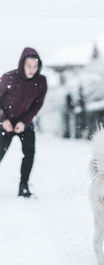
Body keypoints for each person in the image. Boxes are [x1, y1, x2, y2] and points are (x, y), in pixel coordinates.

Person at [0, 47, 47, 198]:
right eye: (29, 65)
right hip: (5, 122)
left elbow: (37, 105)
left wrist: (25, 122)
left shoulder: (41, 82)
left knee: (29, 153)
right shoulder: (9, 78)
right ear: (22, 64)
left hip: (24, 124)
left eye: (35, 66)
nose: (32, 69)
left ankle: (24, 186)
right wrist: (3, 120)